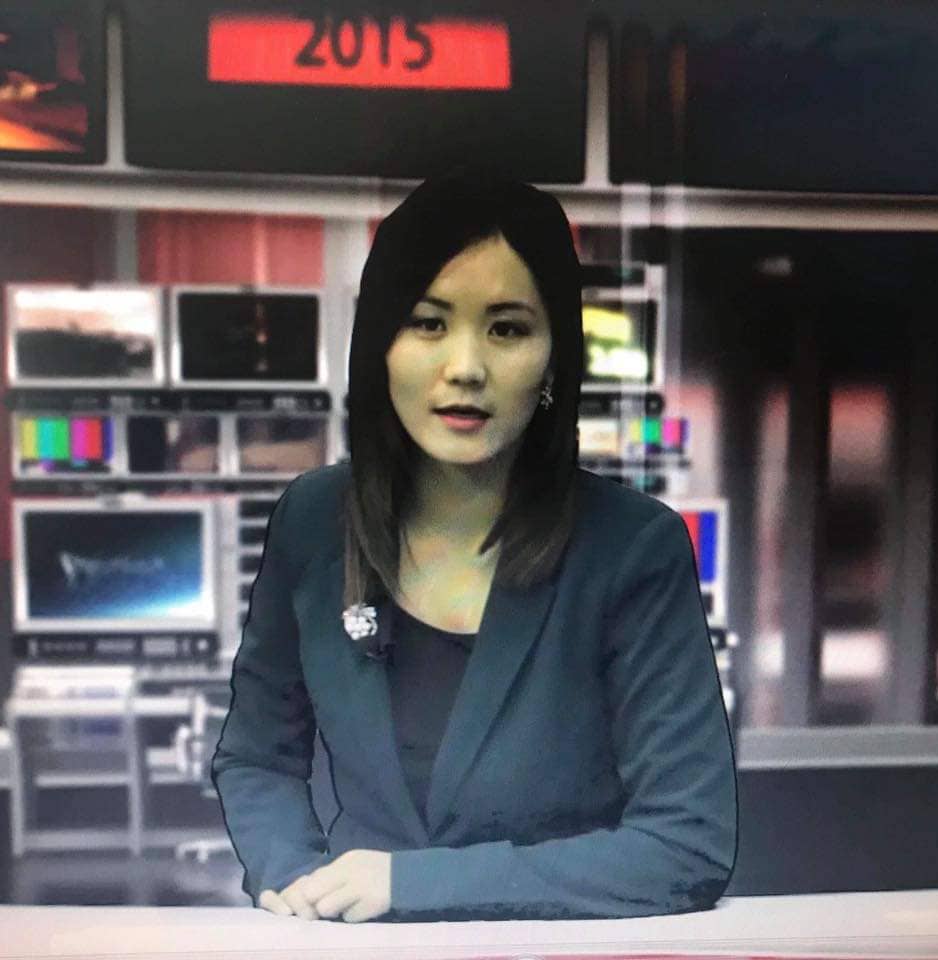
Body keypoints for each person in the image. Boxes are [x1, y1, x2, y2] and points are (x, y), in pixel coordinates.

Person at [211, 169, 738, 923]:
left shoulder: (633, 547)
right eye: (428, 323)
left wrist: (415, 885)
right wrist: (294, 878)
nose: (465, 367)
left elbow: (686, 844)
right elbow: (257, 756)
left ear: (554, 357)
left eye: (507, 329)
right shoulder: (313, 520)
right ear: (380, 345)